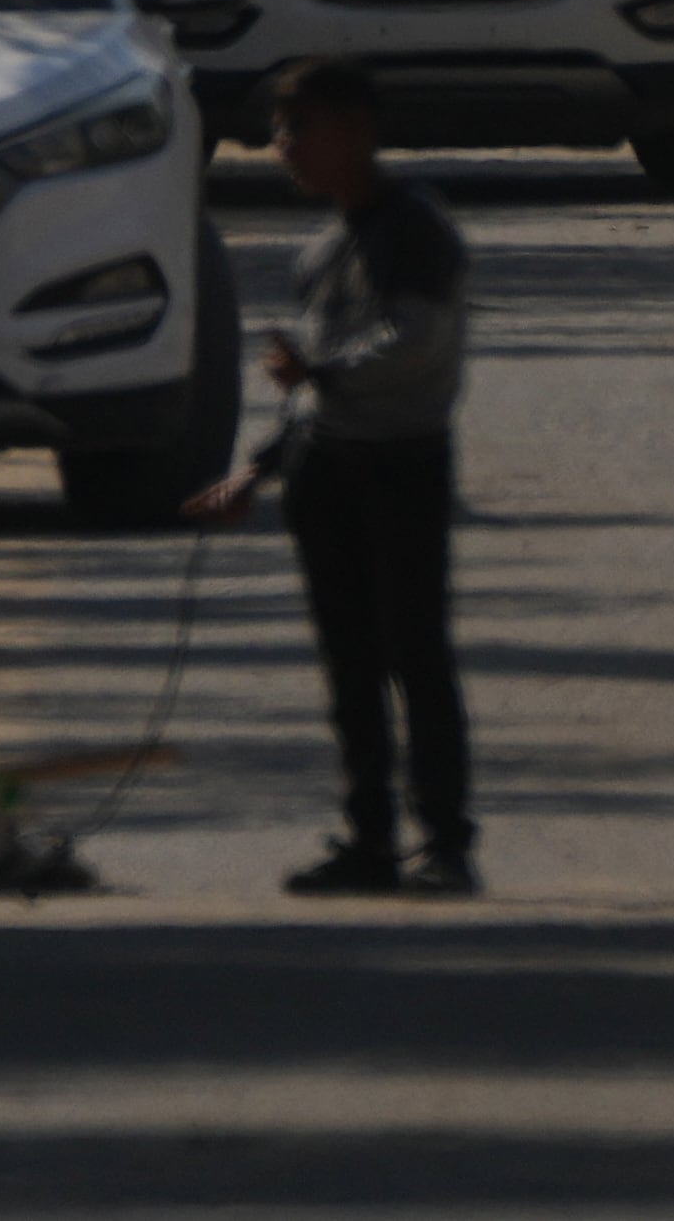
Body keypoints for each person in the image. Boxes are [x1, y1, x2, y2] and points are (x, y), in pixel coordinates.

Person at [186, 58, 478, 896]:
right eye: (281, 130)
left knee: (414, 656)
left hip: (403, 467)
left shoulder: (415, 230)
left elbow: (414, 342)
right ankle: (370, 841)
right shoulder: (324, 247)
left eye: (299, 128)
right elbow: (310, 396)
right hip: (330, 471)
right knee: (349, 664)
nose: (284, 147)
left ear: (354, 132)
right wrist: (257, 470)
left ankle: (446, 842)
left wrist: (323, 370)